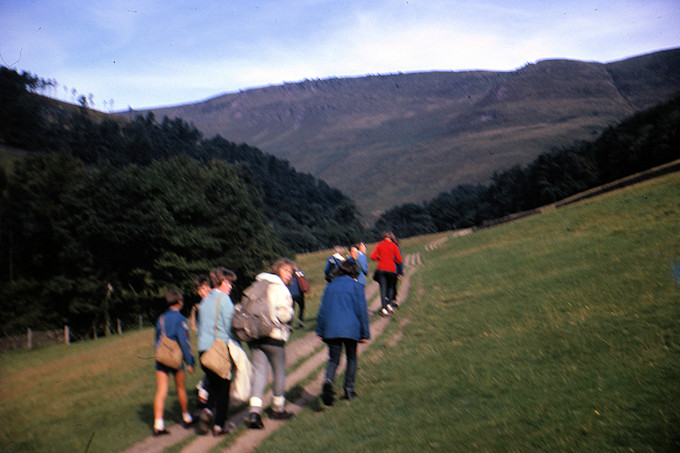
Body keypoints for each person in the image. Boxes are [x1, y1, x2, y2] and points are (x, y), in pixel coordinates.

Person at [246, 258, 296, 429]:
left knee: (259, 373)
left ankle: (254, 412)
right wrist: (290, 312)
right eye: (288, 271)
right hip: (273, 335)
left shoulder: (258, 284)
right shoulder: (280, 288)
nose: (290, 275)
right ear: (279, 270)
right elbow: (283, 315)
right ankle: (278, 409)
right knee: (279, 371)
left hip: (254, 335)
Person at [316, 260, 370, 405]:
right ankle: (349, 389)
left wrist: (320, 330)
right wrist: (365, 333)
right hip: (351, 328)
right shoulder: (358, 287)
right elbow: (362, 312)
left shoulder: (329, 287)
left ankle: (328, 381)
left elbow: (323, 310)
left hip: (332, 328)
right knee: (351, 358)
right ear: (354, 272)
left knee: (334, 360)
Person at [196, 267, 237, 436]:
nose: (230, 287)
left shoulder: (205, 301)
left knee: (213, 384)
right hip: (218, 350)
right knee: (224, 388)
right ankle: (219, 426)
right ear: (221, 282)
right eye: (228, 282)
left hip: (203, 351)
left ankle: (207, 411)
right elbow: (230, 327)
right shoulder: (225, 300)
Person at [153, 290, 195, 436]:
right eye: (181, 300)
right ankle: (186, 417)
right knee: (180, 389)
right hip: (175, 358)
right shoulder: (181, 319)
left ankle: (158, 425)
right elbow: (184, 342)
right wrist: (190, 361)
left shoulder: (161, 318)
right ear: (178, 302)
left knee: (161, 391)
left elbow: (157, 340)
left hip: (161, 358)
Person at [370, 231, 403, 316]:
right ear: (391, 238)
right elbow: (399, 259)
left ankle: (384, 308)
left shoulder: (379, 245)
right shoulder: (394, 245)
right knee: (391, 287)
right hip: (391, 269)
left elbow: (372, 257)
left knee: (383, 288)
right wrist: (393, 260)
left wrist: (380, 259)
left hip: (381, 269)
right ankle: (389, 304)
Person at [286, 263, 308, 328]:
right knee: (302, 307)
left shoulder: (289, 274)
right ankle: (300, 320)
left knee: (291, 310)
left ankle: (289, 324)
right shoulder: (299, 273)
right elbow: (304, 280)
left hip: (290, 294)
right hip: (299, 293)